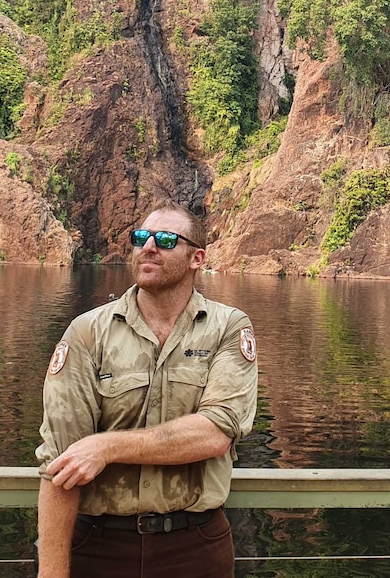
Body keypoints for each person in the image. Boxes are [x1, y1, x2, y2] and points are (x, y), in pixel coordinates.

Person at [35, 199, 258, 578]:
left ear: (197, 258)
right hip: (97, 545)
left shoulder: (228, 327)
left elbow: (216, 432)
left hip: (196, 546)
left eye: (166, 239)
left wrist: (105, 447)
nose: (148, 246)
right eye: (141, 237)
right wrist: (52, 572)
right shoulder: (87, 332)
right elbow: (61, 462)